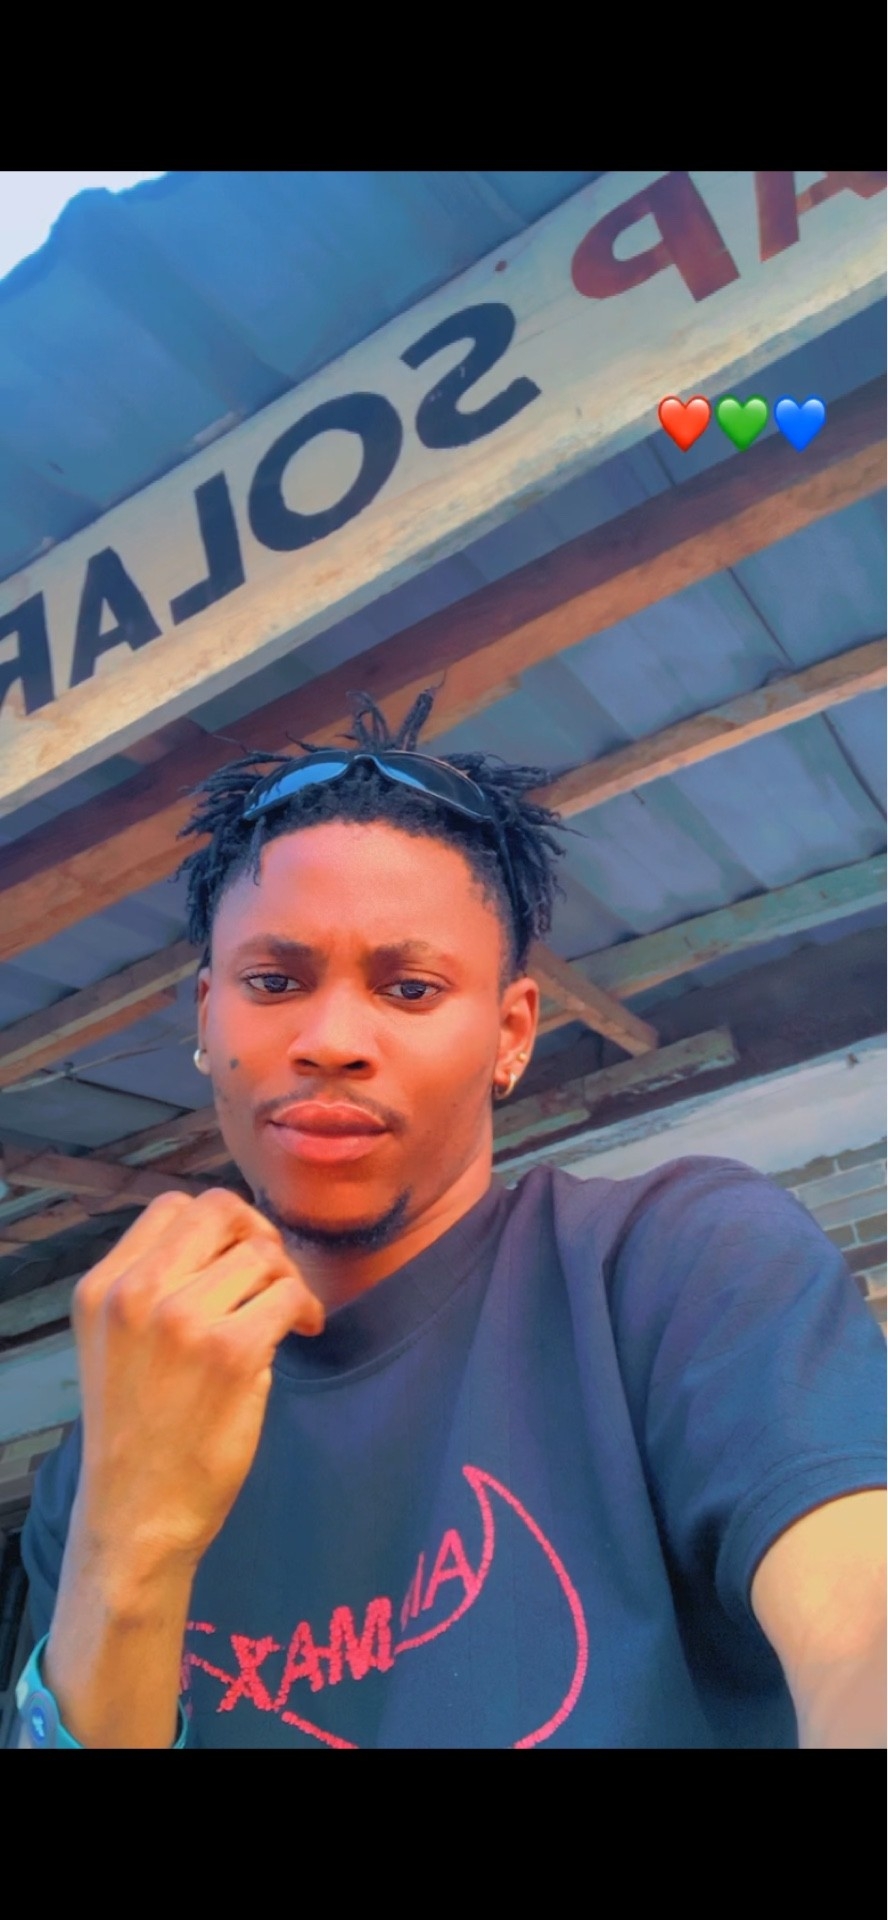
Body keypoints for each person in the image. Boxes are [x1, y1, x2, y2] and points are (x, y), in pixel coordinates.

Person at [17, 689, 886, 1750]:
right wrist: (125, 1544)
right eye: (274, 980)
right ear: (208, 1014)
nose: (331, 1040)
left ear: (511, 1033)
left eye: (412, 989)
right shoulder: (107, 1438)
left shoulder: (677, 1266)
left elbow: (862, 1630)